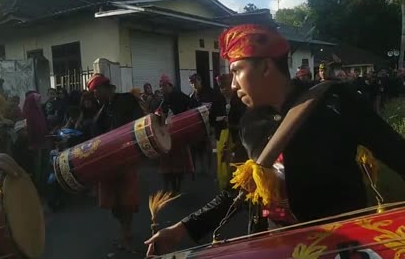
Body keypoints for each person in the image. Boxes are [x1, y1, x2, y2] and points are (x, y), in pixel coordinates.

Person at [145, 23, 405, 256]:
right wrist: (182, 229)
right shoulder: (250, 123)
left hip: (338, 246)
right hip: (275, 245)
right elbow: (244, 190)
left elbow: (397, 153)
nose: (233, 85)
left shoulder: (335, 102)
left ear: (266, 66)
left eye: (237, 71)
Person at [88, 74, 143, 253]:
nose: (95, 95)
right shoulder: (102, 109)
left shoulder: (127, 100)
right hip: (109, 163)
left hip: (126, 159)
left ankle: (126, 235)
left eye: (96, 91)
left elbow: (139, 123)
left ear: (105, 88)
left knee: (126, 201)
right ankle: (124, 232)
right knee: (114, 203)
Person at [158, 76, 195, 193]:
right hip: (167, 135)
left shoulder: (179, 96)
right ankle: (169, 187)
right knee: (167, 163)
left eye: (164, 85)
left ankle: (176, 187)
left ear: (170, 86)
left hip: (178, 134)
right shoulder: (163, 100)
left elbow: (193, 105)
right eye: (160, 86)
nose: (162, 88)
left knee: (178, 164)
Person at [211, 74, 248, 191]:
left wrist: (231, 123)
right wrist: (220, 119)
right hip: (221, 137)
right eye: (221, 87)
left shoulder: (240, 100)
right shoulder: (217, 101)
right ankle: (224, 187)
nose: (224, 90)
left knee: (237, 162)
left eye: (226, 87)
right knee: (223, 161)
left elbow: (244, 119)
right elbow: (211, 120)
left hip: (237, 138)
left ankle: (238, 188)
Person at [188, 73, 216, 176]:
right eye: (191, 83)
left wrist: (212, 125)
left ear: (200, 81)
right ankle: (200, 169)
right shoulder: (191, 96)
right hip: (196, 126)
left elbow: (213, 110)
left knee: (208, 149)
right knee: (197, 149)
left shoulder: (209, 93)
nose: (193, 85)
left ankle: (210, 170)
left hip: (208, 124)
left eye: (195, 82)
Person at [23, 91, 50, 191]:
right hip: (35, 143)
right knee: (37, 165)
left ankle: (44, 184)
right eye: (38, 100)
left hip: (43, 140)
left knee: (44, 163)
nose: (40, 102)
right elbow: (30, 130)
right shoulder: (29, 113)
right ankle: (38, 186)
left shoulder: (39, 111)